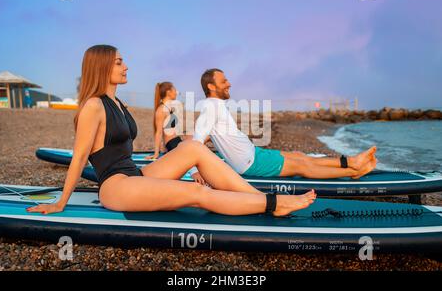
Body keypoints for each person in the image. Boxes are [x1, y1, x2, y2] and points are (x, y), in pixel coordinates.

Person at [27, 45, 316, 217]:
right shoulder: (93, 106)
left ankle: (255, 198)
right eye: (119, 62)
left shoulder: (117, 101)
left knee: (194, 148)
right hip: (115, 187)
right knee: (197, 192)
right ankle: (271, 205)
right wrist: (60, 202)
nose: (126, 66)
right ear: (102, 67)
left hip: (136, 175)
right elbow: (79, 158)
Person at [193, 68, 377, 180]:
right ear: (211, 86)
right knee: (302, 166)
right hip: (250, 163)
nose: (229, 83)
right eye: (224, 81)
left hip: (253, 153)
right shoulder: (210, 108)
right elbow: (195, 143)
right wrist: (194, 171)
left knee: (298, 155)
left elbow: (212, 133)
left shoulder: (216, 106)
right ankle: (353, 170)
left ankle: (349, 161)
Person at [145, 81, 205, 184]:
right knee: (190, 154)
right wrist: (156, 153)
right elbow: (159, 133)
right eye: (175, 90)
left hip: (176, 140)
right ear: (168, 92)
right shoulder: (161, 110)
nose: (177, 92)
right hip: (172, 143)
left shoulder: (170, 107)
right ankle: (195, 173)